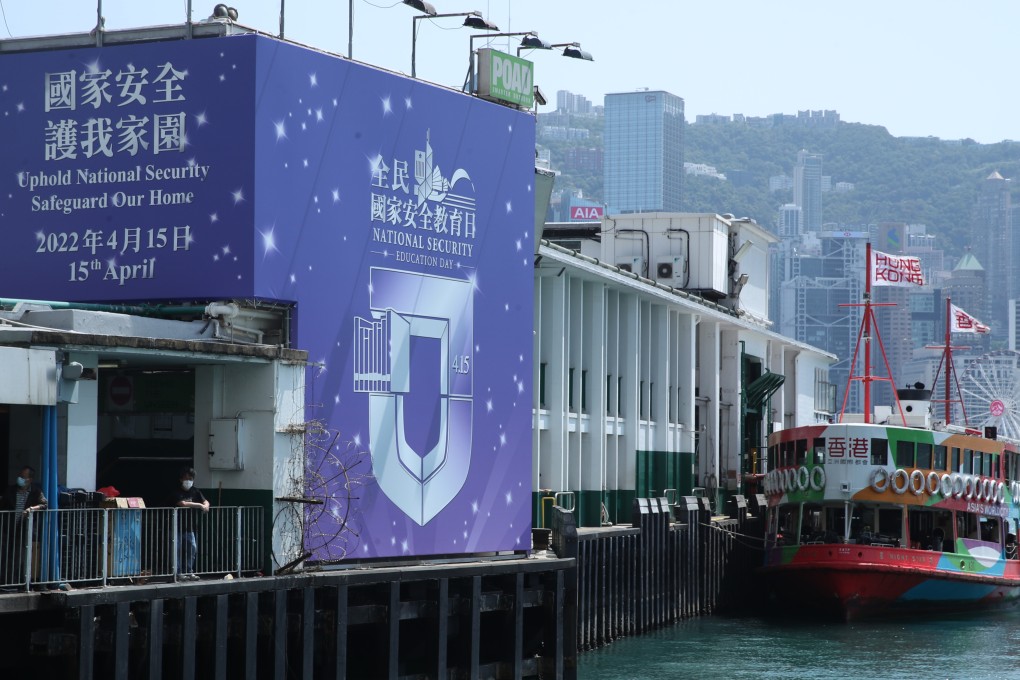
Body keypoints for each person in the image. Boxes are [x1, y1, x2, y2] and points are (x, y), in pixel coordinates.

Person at [0, 466, 47, 586]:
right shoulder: (11, 490)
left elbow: (44, 504)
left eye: (23, 477)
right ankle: (5, 582)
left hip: (22, 530)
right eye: (20, 476)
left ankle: (12, 582)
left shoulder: (35, 491)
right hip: (8, 528)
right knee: (4, 555)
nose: (20, 478)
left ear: (29, 480)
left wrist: (32, 509)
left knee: (17, 558)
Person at [173, 467, 209, 581]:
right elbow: (182, 503)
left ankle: (189, 571)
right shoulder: (176, 491)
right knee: (177, 550)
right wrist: (199, 506)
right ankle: (177, 573)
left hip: (190, 527)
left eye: (190, 478)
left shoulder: (195, 491)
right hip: (176, 527)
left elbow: (205, 501)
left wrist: (206, 505)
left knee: (192, 549)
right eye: (186, 478)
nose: (188, 481)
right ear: (181, 479)